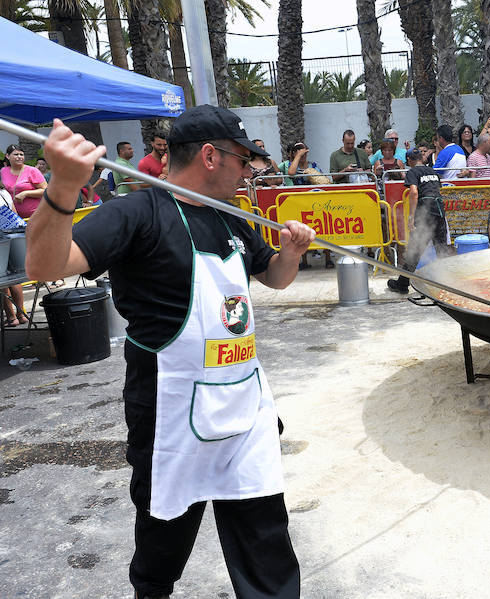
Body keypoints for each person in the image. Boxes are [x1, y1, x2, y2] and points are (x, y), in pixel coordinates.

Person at [26, 105, 315, 599]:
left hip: (245, 410)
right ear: (209, 155)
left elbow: (273, 277)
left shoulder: (232, 218)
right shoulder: (138, 213)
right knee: (163, 542)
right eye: (244, 161)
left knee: (267, 543)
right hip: (170, 413)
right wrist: (62, 189)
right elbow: (44, 264)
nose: (248, 173)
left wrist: (290, 254)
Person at [386, 149, 450, 294]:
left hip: (426, 213)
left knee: (414, 251)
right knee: (442, 249)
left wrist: (411, 217)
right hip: (439, 211)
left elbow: (414, 193)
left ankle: (402, 284)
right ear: (422, 158)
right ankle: (449, 283)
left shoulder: (413, 172)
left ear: (409, 160)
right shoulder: (432, 171)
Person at [0, 184, 26, 327]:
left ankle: (11, 318)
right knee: (15, 278)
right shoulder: (4, 193)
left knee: (2, 280)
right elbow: (15, 215)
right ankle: (21, 315)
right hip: (13, 238)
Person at [1, 144, 48, 218]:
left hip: (35, 216)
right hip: (12, 218)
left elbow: (46, 191)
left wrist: (25, 193)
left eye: (21, 155)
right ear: (8, 156)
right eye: (16, 154)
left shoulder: (32, 171)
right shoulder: (3, 171)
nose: (19, 157)